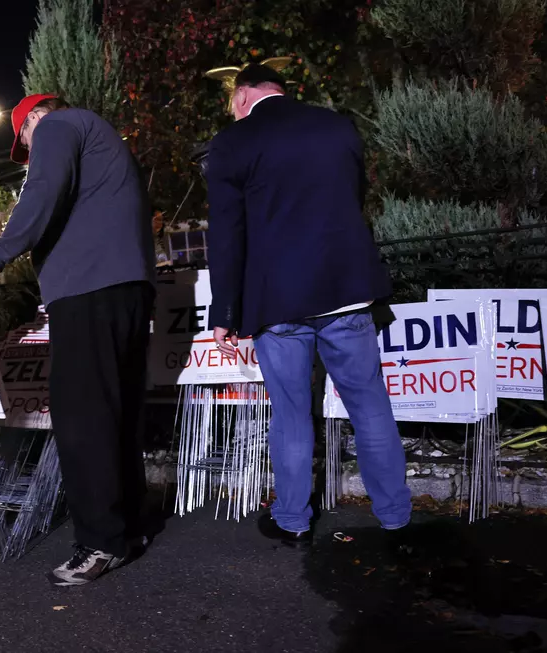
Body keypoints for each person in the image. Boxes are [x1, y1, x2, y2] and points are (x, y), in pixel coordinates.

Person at [206, 65, 411, 547]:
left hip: (277, 301)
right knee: (370, 407)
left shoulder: (232, 142)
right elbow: (355, 197)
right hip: (346, 289)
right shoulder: (336, 126)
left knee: (292, 413)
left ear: (242, 97)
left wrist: (225, 313)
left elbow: (226, 234)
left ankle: (294, 520)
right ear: (280, 91)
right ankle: (396, 517)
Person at [0, 94, 156, 586]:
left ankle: (98, 542)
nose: (30, 152)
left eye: (23, 143)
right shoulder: (100, 136)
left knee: (82, 416)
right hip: (124, 288)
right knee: (118, 412)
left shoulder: (57, 126)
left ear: (30, 121)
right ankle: (125, 530)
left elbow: (43, 191)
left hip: (90, 291)